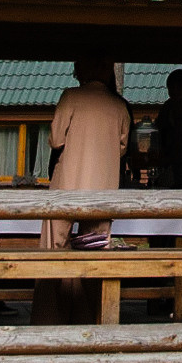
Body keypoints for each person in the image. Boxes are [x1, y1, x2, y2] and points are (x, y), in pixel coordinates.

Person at [45, 59, 131, 251]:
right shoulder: (119, 106)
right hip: (103, 189)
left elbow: (56, 139)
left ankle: (58, 281)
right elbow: (122, 149)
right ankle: (90, 282)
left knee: (54, 245)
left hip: (66, 185)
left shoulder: (70, 97)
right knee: (96, 248)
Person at [153, 70, 182, 189]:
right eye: (171, 88)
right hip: (167, 163)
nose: (174, 91)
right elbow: (159, 132)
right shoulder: (167, 107)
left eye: (178, 87)